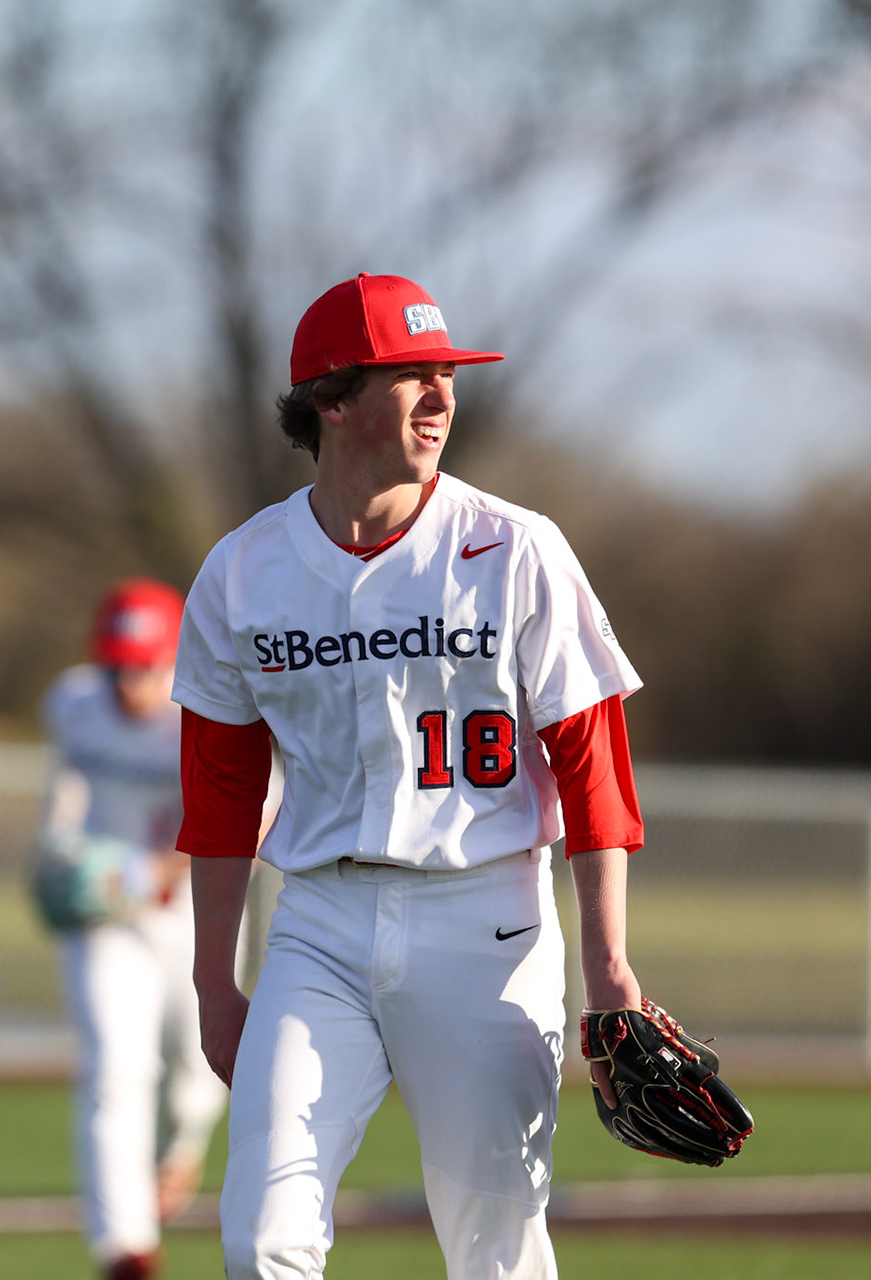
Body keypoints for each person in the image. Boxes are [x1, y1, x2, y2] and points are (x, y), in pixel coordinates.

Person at [173, 273, 646, 1279]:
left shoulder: (515, 547)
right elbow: (217, 797)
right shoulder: (243, 570)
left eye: (447, 375)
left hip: (486, 919)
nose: (443, 397)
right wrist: (215, 978)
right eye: (414, 375)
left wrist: (608, 963)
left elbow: (595, 763)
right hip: (319, 922)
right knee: (262, 1235)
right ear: (333, 400)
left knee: (494, 1250)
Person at [38, 578, 230, 1280]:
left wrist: (154, 873)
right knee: (113, 1069)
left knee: (198, 1067)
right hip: (104, 919)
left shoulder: (205, 712)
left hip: (191, 908)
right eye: (117, 662)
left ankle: (182, 1147)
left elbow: (250, 818)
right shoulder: (72, 704)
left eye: (143, 662)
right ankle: (125, 1249)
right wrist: (58, 848)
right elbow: (65, 787)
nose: (129, 678)